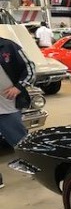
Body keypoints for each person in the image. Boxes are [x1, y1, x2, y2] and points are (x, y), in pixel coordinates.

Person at [0, 37, 36, 189]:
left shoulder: (8, 46)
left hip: (7, 106)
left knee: (21, 141)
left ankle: (36, 167)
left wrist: (19, 87)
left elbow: (30, 68)